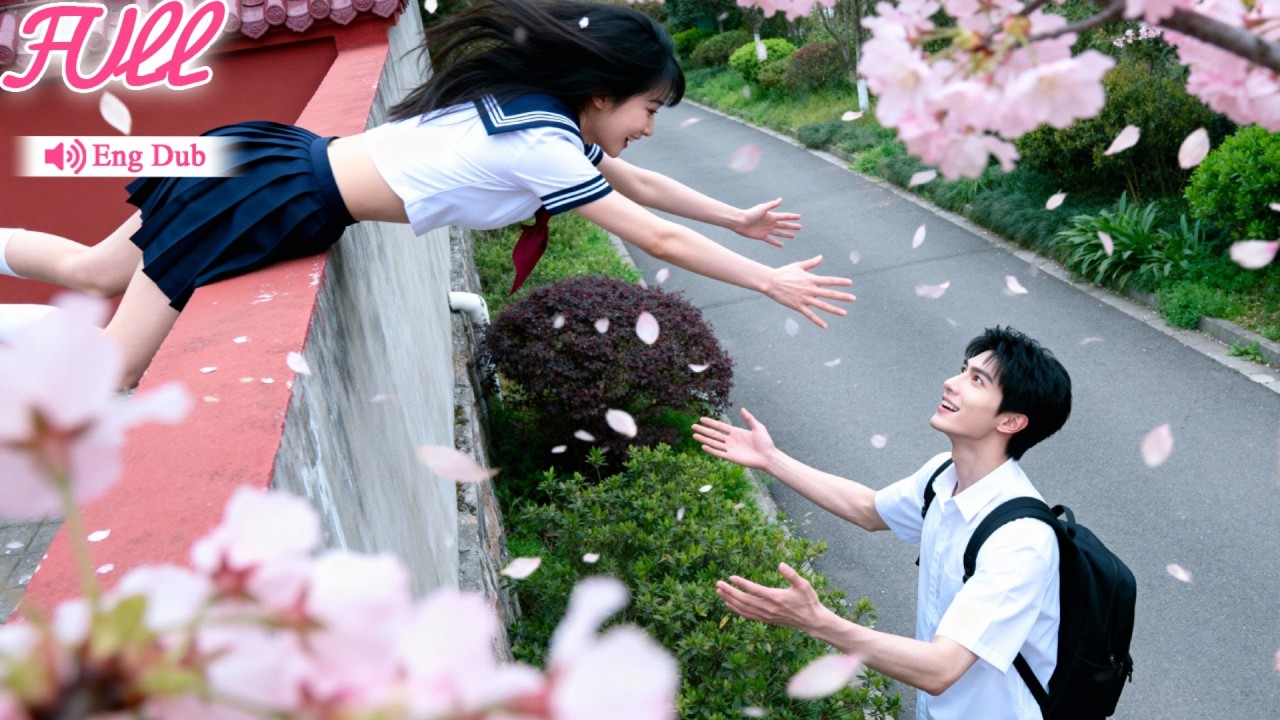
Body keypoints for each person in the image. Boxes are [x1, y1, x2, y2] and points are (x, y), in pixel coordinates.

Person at [0, 0, 855, 388]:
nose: (649, 126)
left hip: (273, 157)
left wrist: (735, 215)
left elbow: (637, 181)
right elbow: (654, 238)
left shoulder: (535, 118)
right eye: (648, 107)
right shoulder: (543, 145)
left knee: (88, 270)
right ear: (601, 88)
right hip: (270, 194)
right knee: (116, 363)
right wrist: (768, 280)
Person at [692, 326, 1072, 720]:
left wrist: (818, 622)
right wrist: (772, 459)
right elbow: (867, 509)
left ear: (1011, 422)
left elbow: (942, 667)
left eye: (976, 380)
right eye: (963, 369)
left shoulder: (1021, 541)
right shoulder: (943, 476)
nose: (951, 383)